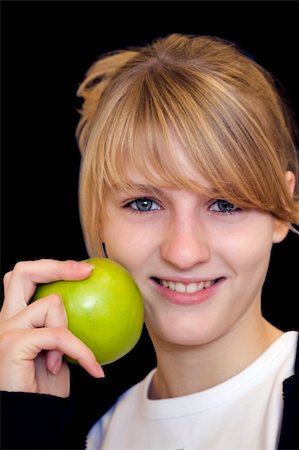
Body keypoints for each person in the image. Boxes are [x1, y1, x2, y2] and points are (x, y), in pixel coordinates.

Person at [1, 33, 298, 450]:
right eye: (144, 203)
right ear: (98, 215)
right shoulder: (94, 434)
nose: (184, 251)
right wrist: (24, 425)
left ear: (281, 209)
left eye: (225, 204)